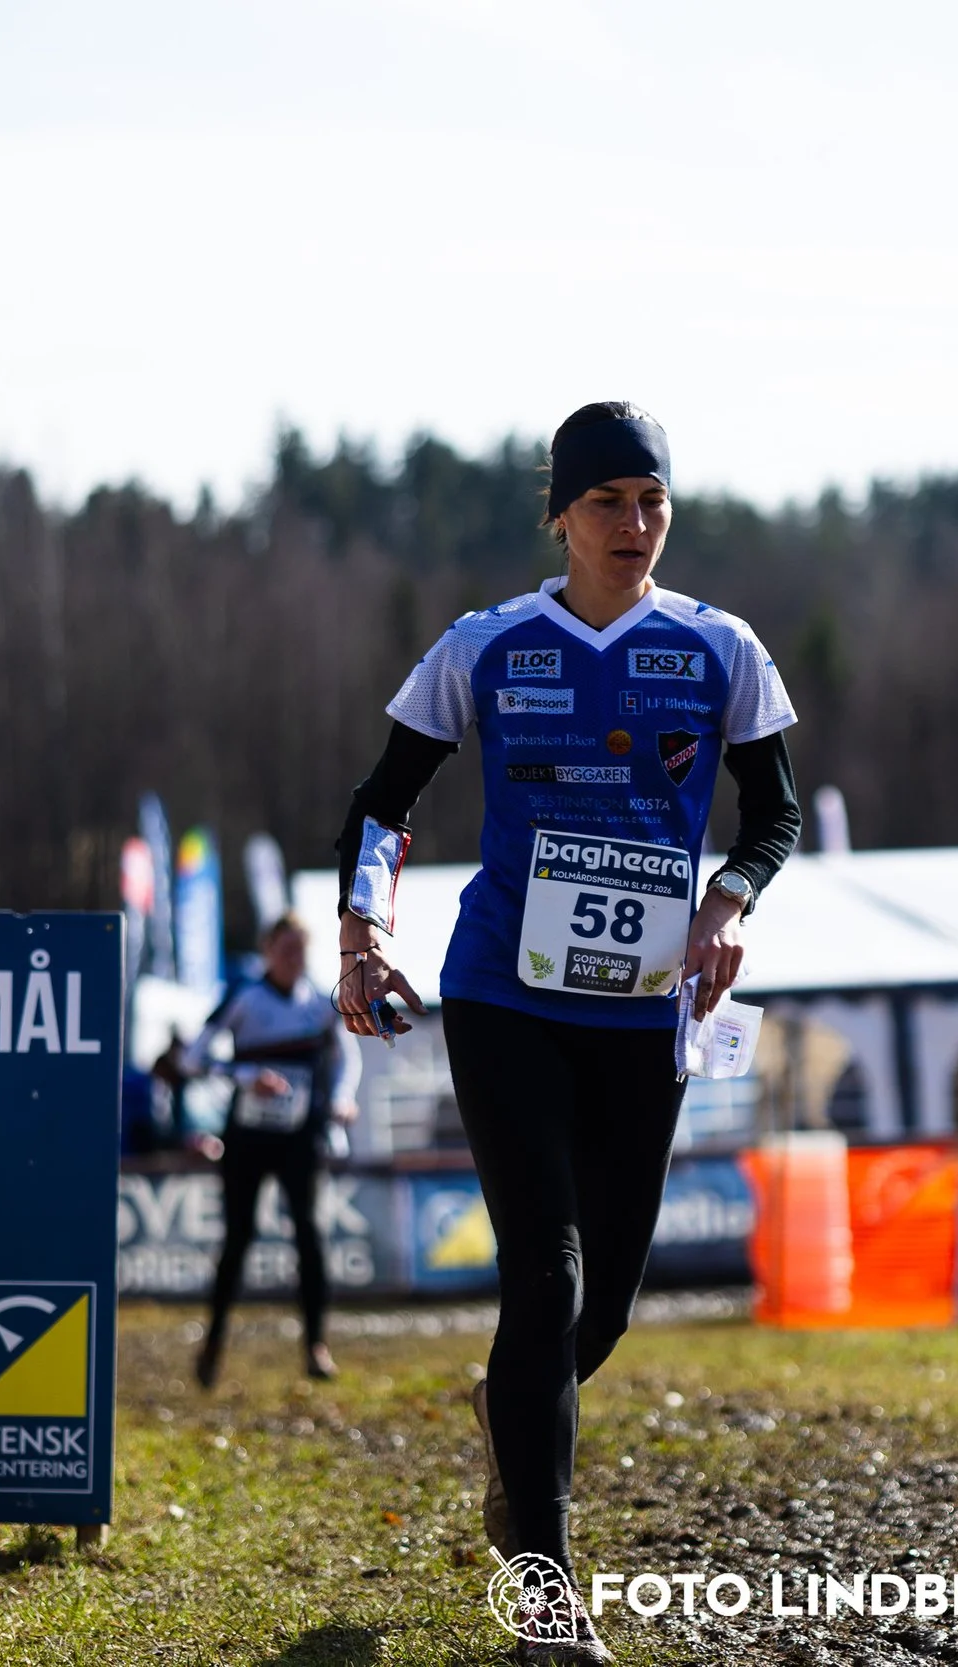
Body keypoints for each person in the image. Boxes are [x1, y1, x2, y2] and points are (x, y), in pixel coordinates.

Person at [332, 402, 800, 1664]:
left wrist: (726, 900)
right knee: (545, 1272)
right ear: (560, 514)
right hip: (502, 996)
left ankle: (505, 1410)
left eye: (652, 501)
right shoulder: (487, 646)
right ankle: (545, 1589)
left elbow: (776, 814)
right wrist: (362, 935)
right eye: (607, 503)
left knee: (600, 1312)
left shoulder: (721, 648)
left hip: (644, 1010)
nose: (634, 526)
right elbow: (383, 803)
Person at [178, 913, 360, 1386]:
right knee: (238, 1238)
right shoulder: (245, 997)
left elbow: (347, 1057)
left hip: (299, 1136)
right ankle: (214, 1343)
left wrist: (341, 1099)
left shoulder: (321, 1003)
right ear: (267, 951)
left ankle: (316, 1345)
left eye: (300, 949)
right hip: (248, 1137)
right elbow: (194, 1058)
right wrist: (245, 1078)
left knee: (310, 1234)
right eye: (285, 949)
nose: (292, 958)